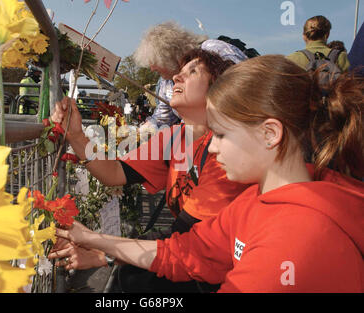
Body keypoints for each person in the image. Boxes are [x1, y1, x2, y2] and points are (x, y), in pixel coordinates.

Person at [51, 55, 364, 293]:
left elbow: (184, 245)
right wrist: (78, 139)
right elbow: (185, 250)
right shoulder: (255, 196)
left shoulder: (292, 243)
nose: (212, 147)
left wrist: (102, 253)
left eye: (222, 135)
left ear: (270, 133)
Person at [50, 48, 249, 292]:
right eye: (179, 72)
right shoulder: (174, 137)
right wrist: (76, 135)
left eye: (193, 71)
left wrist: (101, 251)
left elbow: (184, 237)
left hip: (222, 274)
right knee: (134, 276)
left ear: (217, 89)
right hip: (185, 259)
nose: (176, 77)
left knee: (135, 277)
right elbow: (114, 173)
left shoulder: (224, 152)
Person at [134, 21, 248, 130]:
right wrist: (139, 133)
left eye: (155, 61)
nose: (152, 68)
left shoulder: (212, 49)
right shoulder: (166, 82)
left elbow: (245, 84)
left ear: (169, 56)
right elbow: (162, 119)